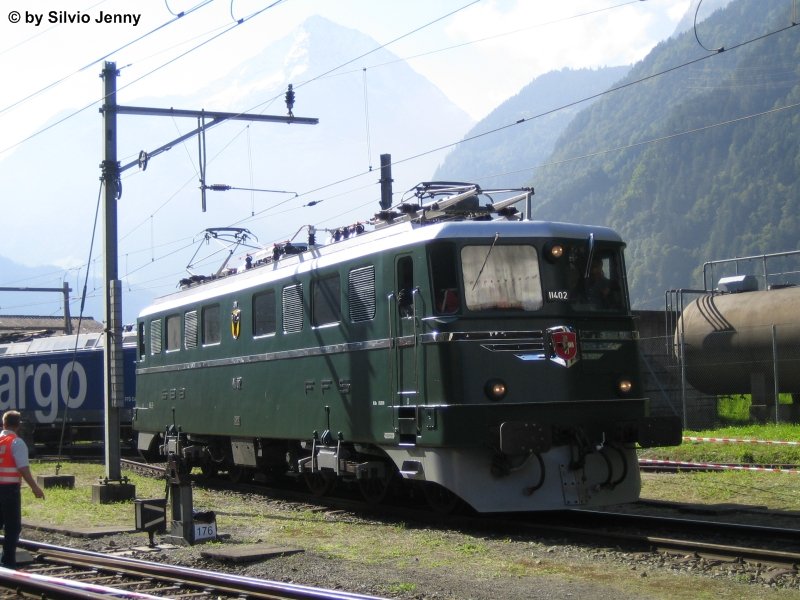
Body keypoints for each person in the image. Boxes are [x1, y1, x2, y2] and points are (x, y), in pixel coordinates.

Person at [0, 410, 44, 569]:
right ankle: (7, 562)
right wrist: (35, 487)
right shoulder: (16, 442)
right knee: (12, 527)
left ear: (3, 424)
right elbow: (23, 468)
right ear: (18, 425)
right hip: (9, 490)